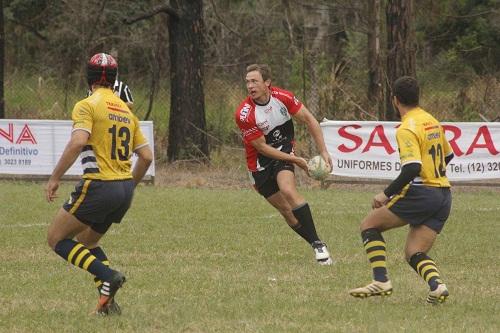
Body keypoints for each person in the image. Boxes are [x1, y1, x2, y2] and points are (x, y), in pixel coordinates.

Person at [45, 53, 153, 315]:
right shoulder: (126, 112)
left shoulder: (87, 105)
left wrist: (55, 177)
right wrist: (129, 186)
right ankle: (107, 304)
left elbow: (78, 142)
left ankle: (109, 276)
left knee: (57, 239)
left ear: (88, 77)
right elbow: (147, 156)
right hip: (124, 189)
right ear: (115, 79)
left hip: (99, 185)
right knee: (88, 242)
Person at [349, 76, 453, 304]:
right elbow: (448, 155)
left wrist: (385, 194)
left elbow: (413, 167)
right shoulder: (432, 121)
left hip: (423, 192)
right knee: (414, 252)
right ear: (418, 97)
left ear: (395, 100)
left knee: (369, 225)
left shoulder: (407, 127)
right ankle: (437, 287)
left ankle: (381, 281)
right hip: (444, 195)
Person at [235, 63, 333, 265]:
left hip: (283, 151)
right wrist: (297, 160)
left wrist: (323, 151)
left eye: (255, 81)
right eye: (247, 82)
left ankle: (318, 245)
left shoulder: (283, 98)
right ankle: (315, 242)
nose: (250, 86)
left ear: (267, 83)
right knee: (287, 213)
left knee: (288, 190)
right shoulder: (244, 114)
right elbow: (262, 148)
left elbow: (310, 120)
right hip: (259, 164)